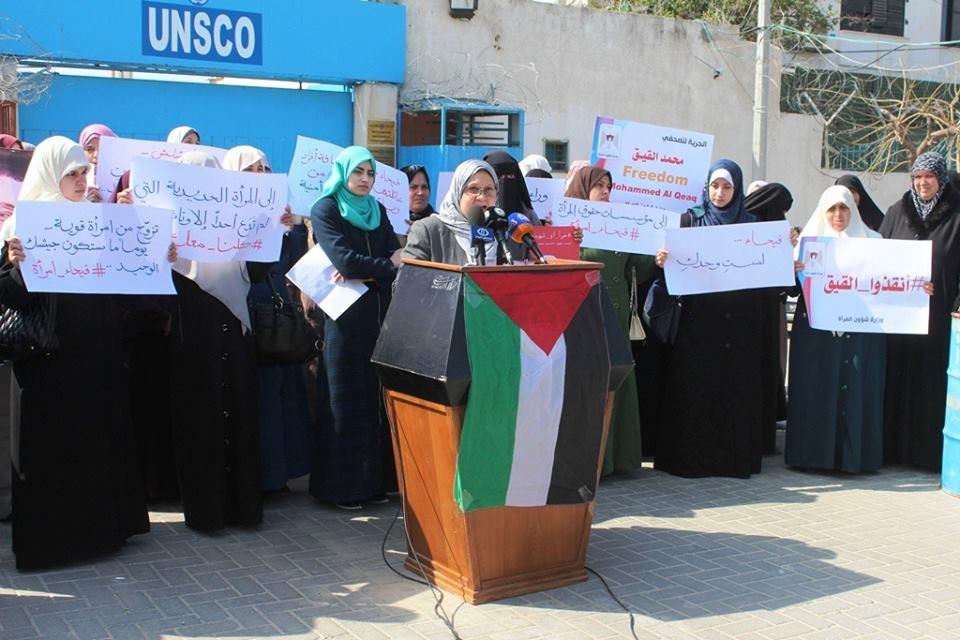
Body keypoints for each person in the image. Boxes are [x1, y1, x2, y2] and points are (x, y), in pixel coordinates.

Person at [0, 136, 150, 569]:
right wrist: (17, 266)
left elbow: (124, 282)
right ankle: (54, 543)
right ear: (52, 175)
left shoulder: (98, 219)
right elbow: (12, 297)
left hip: (95, 353)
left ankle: (102, 533)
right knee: (52, 450)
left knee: (94, 441)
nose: (82, 181)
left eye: (85, 172)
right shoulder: (22, 224)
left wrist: (155, 253)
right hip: (48, 360)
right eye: (72, 174)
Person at [166, 147, 281, 530]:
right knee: (200, 419)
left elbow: (257, 270)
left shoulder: (235, 217)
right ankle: (207, 512)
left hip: (234, 329)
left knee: (239, 413)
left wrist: (274, 231)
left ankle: (243, 508)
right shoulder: (169, 223)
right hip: (193, 336)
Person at [653, 159, 765, 478]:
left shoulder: (751, 224)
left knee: (732, 389)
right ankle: (690, 460)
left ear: (737, 189)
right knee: (696, 388)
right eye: (715, 186)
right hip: (697, 322)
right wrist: (663, 260)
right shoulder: (690, 220)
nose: (719, 193)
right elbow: (670, 268)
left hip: (736, 325)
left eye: (727, 187)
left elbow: (766, 269)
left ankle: (732, 461)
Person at [309, 146, 401, 509]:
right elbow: (345, 260)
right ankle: (341, 488)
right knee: (344, 399)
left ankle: (374, 483)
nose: (365, 179)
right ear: (343, 173)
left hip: (379, 315)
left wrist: (368, 270)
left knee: (374, 400)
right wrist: (381, 266)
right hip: (344, 318)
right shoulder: (326, 209)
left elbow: (398, 257)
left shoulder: (377, 210)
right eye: (358, 172)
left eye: (370, 172)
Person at [786, 185, 886, 473]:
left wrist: (918, 287)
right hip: (816, 334)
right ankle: (812, 456)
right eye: (831, 209)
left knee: (855, 390)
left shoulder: (874, 242)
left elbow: (892, 281)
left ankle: (854, 458)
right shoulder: (807, 244)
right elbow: (791, 290)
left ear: (852, 209)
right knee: (817, 390)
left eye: (844, 208)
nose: (838, 215)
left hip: (860, 333)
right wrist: (791, 269)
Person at [566, 166, 655, 475]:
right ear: (583, 189)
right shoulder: (567, 223)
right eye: (598, 186)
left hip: (615, 314)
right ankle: (590, 463)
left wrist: (656, 256)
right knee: (589, 385)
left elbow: (637, 267)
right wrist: (567, 238)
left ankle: (619, 458)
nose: (605, 192)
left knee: (617, 381)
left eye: (608, 186)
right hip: (582, 316)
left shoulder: (617, 224)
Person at [880, 152, 960, 470]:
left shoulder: (957, 214)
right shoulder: (897, 212)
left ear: (941, 179)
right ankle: (891, 449)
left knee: (929, 385)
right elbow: (878, 259)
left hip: (937, 319)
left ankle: (925, 454)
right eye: (917, 177)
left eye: (929, 176)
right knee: (895, 380)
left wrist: (946, 294)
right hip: (898, 320)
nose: (923, 183)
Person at [241, 148, 314, 494]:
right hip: (246, 309)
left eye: (265, 169)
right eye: (251, 169)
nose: (260, 175)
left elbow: (290, 265)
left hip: (275, 312)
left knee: (281, 392)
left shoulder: (279, 214)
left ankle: (280, 472)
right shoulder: (226, 213)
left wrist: (289, 229)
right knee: (259, 395)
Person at [744, 182, 794, 453]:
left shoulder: (776, 231)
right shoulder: (744, 227)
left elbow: (787, 283)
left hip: (767, 311)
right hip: (755, 312)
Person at [402, 159, 502, 266]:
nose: (482, 197)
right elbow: (409, 275)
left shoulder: (503, 234)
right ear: (457, 192)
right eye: (473, 189)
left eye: (489, 189)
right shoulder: (428, 230)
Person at [398, 164, 435, 246]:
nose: (420, 193)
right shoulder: (389, 224)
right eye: (413, 187)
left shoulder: (439, 223)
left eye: (424, 187)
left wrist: (424, 231)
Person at [78, 123, 117, 202]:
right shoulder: (73, 181)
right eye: (90, 149)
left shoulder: (125, 180)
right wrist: (86, 203)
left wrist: (123, 206)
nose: (96, 155)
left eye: (102, 148)